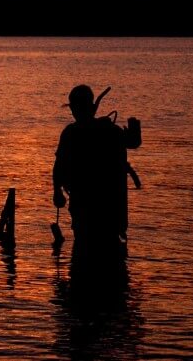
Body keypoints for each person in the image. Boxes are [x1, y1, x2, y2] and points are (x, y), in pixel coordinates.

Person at [52, 84, 142, 259]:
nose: (74, 113)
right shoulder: (108, 132)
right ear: (93, 107)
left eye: (75, 108)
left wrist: (57, 192)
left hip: (92, 212)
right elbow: (132, 142)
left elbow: (59, 166)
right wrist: (57, 191)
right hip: (106, 212)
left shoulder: (73, 133)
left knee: (84, 256)